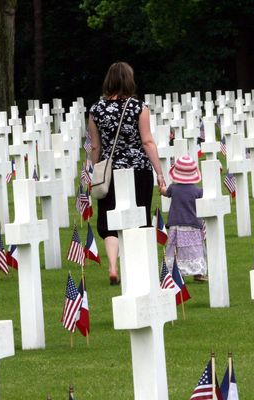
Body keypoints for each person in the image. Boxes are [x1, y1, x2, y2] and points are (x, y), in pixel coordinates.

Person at [88, 62, 166, 285]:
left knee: (109, 219)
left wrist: (96, 171)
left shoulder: (96, 109)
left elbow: (95, 147)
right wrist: (159, 173)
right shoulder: (138, 107)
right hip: (138, 169)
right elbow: (147, 141)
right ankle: (138, 267)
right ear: (129, 81)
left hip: (110, 171)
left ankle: (113, 266)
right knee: (139, 218)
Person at [160, 155, 207, 281]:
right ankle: (198, 272)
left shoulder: (173, 188)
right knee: (194, 249)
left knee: (175, 249)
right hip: (193, 224)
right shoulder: (197, 191)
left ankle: (175, 271)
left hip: (176, 224)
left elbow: (165, 192)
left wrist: (161, 188)